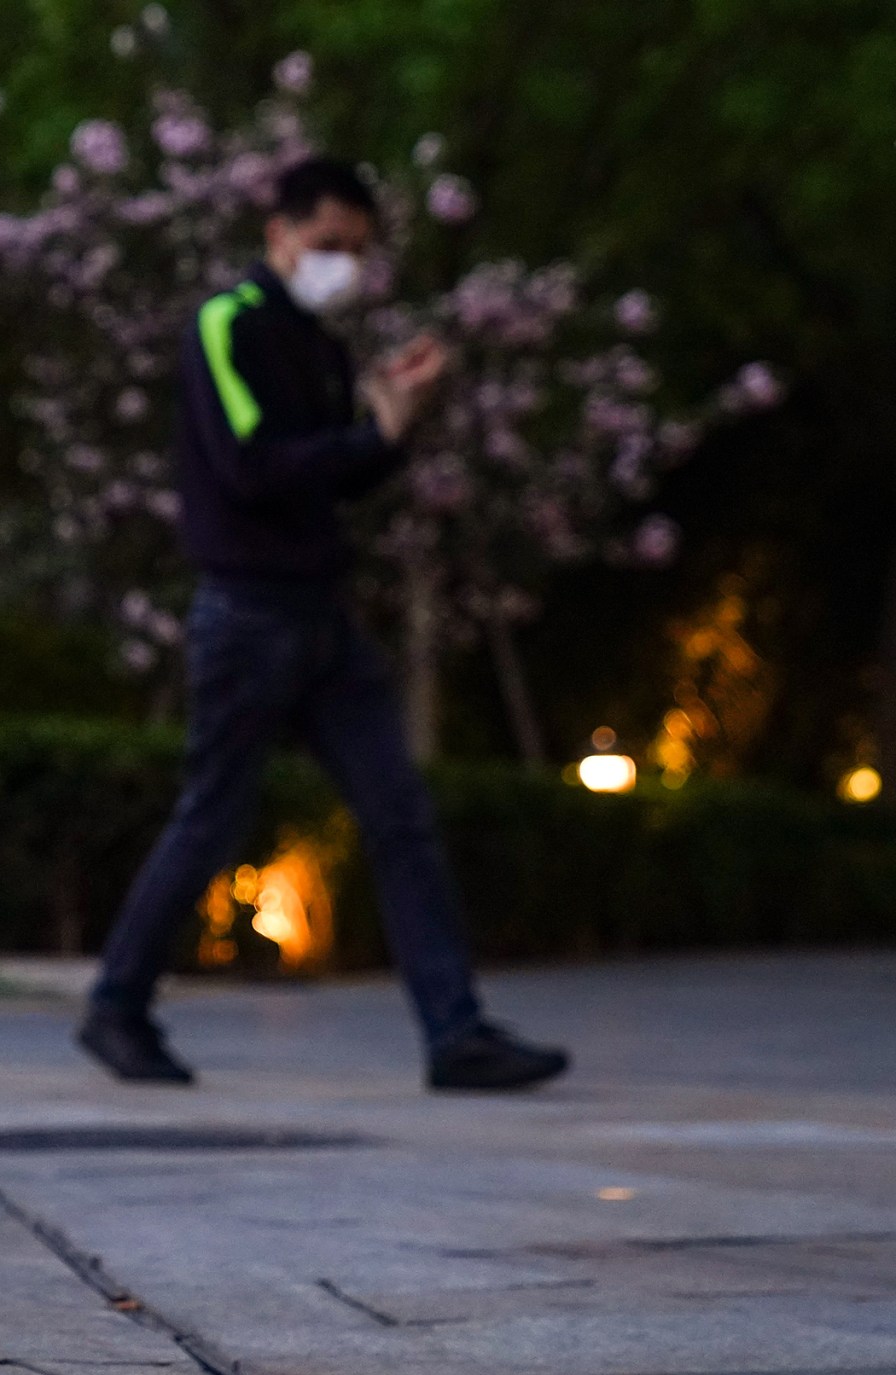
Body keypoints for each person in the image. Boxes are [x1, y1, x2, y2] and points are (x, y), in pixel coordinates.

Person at [75, 157, 570, 1094]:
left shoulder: (328, 349)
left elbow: (341, 479)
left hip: (323, 617)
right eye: (328, 245)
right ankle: (116, 1007)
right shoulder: (228, 325)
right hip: (247, 612)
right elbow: (255, 467)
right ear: (280, 234)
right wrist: (369, 437)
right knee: (212, 818)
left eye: (358, 251)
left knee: (401, 820)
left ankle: (455, 1034)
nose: (343, 265)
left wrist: (393, 421)